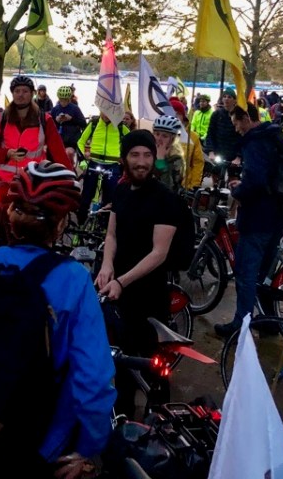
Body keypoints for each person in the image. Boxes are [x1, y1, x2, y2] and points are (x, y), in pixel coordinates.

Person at [0, 161, 114, 478]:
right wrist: (87, 446)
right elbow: (93, 379)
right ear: (60, 225)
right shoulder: (73, 280)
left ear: (11, 218)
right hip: (41, 443)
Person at [96, 130, 177, 416]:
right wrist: (107, 265)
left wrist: (121, 280)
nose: (141, 162)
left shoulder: (165, 199)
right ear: (124, 159)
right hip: (120, 296)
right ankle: (123, 421)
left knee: (154, 366)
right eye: (135, 155)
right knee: (121, 362)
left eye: (147, 155)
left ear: (154, 159)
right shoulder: (119, 190)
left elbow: (159, 253)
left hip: (150, 296)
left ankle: (162, 423)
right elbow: (112, 234)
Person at [214, 106, 283, 338]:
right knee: (264, 275)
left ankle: (241, 324)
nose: (236, 129)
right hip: (277, 216)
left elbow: (256, 180)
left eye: (236, 123)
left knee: (246, 274)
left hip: (257, 218)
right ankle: (269, 321)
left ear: (247, 118)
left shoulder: (255, 141)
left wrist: (239, 190)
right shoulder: (273, 136)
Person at [0, 75, 70, 182]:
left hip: (33, 181)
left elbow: (58, 151)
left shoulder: (44, 120)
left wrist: (69, 176)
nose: (20, 95)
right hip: (4, 180)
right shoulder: (0, 119)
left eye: (25, 91)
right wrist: (6, 153)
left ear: (32, 93)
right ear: (12, 94)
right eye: (17, 91)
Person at [76, 111, 129, 223]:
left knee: (109, 198)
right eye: (104, 111)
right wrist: (83, 161)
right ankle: (80, 224)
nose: (106, 115)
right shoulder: (94, 123)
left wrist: (125, 158)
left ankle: (104, 226)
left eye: (109, 112)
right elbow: (80, 142)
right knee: (86, 196)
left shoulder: (120, 126)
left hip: (113, 164)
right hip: (94, 162)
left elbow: (133, 143)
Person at [170, 98, 204, 189]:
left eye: (178, 114)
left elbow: (198, 163)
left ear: (183, 116)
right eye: (171, 113)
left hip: (184, 186)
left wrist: (194, 185)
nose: (175, 117)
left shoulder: (193, 137)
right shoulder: (160, 136)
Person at [49, 85, 87, 162]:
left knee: (69, 153)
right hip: (59, 139)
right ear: (58, 99)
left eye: (65, 100)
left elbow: (83, 124)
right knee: (52, 155)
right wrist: (56, 120)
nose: (63, 102)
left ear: (69, 99)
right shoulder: (55, 109)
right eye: (61, 100)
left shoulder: (75, 108)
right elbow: (49, 126)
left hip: (72, 140)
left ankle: (71, 168)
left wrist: (71, 119)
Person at [205, 87, 241, 162]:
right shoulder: (216, 114)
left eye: (229, 97)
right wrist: (210, 151)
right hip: (217, 155)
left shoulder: (239, 115)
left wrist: (239, 157)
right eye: (224, 97)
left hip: (233, 156)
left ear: (234, 100)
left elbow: (242, 138)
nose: (226, 99)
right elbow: (210, 134)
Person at [151, 114, 186, 191]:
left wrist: (161, 161)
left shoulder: (176, 158)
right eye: (157, 134)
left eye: (165, 136)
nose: (159, 139)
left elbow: (168, 187)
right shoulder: (149, 152)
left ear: (173, 139)